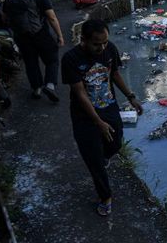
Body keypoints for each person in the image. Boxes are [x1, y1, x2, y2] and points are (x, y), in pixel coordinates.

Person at [61, 19, 143, 216]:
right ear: (84, 40)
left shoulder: (110, 49)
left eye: (105, 42)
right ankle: (105, 196)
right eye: (97, 43)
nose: (102, 47)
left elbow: (114, 74)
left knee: (116, 143)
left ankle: (106, 155)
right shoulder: (71, 59)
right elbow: (80, 93)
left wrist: (131, 97)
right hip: (84, 115)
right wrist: (98, 122)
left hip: (109, 107)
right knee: (94, 160)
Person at [3, 0, 64, 101]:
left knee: (31, 63)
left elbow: (5, 18)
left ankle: (37, 89)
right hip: (41, 34)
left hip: (22, 37)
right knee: (52, 59)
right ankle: (50, 85)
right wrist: (60, 36)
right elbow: (52, 18)